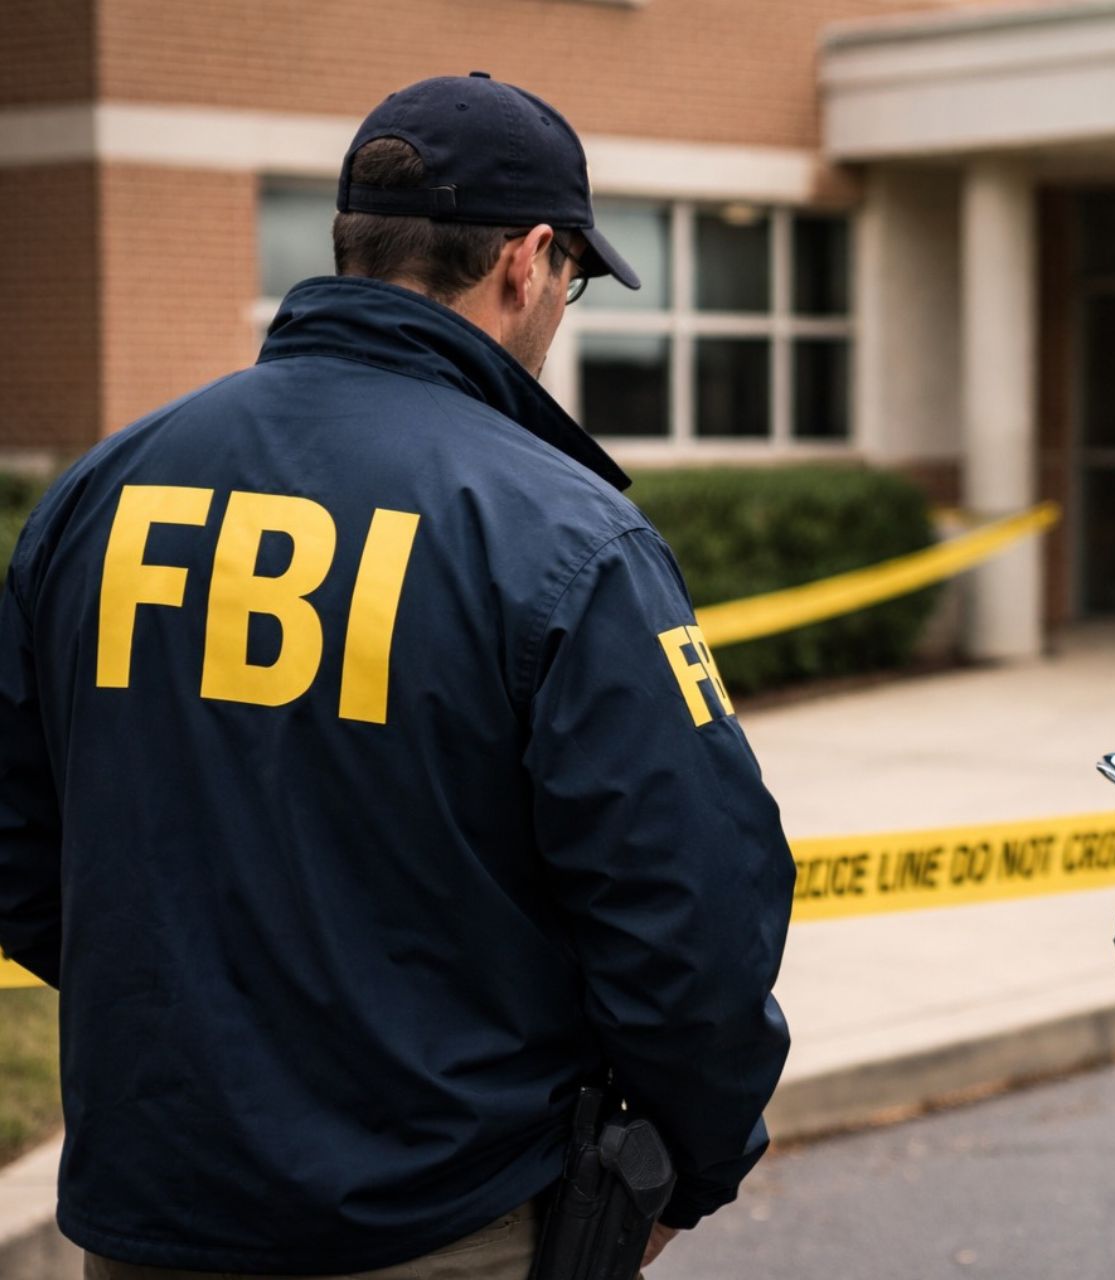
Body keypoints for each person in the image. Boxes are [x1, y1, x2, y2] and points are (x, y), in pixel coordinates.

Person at [0, 73, 793, 1278]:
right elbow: (694, 913)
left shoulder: (104, 491)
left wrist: (204, 1005)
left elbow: (19, 843)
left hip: (157, 1205)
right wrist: (692, 1160)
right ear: (527, 262)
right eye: (572, 281)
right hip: (445, 1213)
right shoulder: (564, 535)